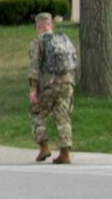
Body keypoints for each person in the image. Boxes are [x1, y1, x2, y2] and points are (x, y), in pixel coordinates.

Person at [28, 11, 76, 164]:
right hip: (67, 83)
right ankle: (65, 153)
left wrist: (33, 89)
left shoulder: (38, 41)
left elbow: (34, 66)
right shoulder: (62, 39)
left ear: (38, 26)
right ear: (51, 25)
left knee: (37, 112)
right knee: (62, 116)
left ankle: (44, 147)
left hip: (50, 84)